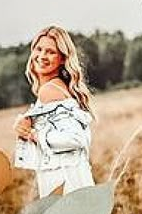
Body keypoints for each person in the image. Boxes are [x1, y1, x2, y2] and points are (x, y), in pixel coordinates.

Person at [13, 26, 94, 197]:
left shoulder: (50, 90)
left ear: (62, 59)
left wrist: (33, 135)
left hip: (64, 181)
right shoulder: (57, 87)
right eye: (38, 49)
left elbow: (76, 138)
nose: (42, 56)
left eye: (50, 52)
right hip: (71, 176)